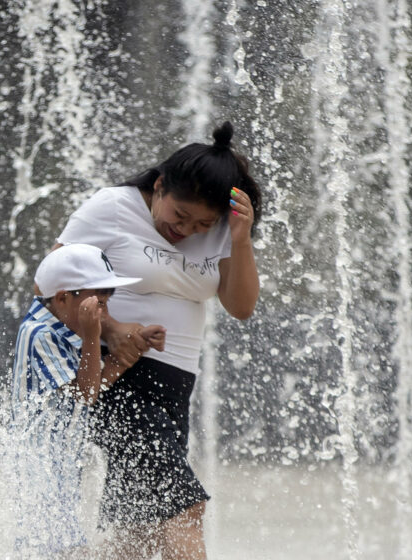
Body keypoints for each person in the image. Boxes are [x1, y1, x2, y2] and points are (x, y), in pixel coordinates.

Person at [54, 121, 262, 559]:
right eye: (179, 215)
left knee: (136, 539)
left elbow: (241, 307)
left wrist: (240, 239)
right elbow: (52, 284)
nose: (185, 230)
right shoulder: (113, 207)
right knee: (186, 509)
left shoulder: (226, 229)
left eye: (202, 224)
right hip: (119, 376)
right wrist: (110, 328)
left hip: (173, 388)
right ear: (161, 185)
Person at [10, 243, 165, 558]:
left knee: (62, 548)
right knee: (60, 550)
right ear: (64, 297)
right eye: (97, 305)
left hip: (60, 464)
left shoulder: (64, 327)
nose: (103, 314)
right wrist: (94, 336)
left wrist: (124, 357)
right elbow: (87, 393)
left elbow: (89, 386)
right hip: (38, 468)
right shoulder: (39, 333)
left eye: (106, 304)